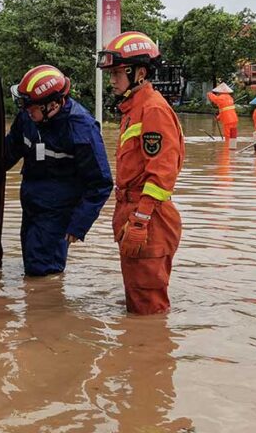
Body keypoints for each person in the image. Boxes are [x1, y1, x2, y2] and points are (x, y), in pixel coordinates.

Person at [97, 31, 185, 315]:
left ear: (141, 73)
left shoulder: (153, 110)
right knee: (137, 301)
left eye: (118, 73)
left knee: (149, 310)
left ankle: (149, 356)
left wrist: (141, 220)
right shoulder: (134, 109)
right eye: (111, 73)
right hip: (134, 214)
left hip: (149, 219)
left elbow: (162, 174)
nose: (112, 80)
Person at [3, 65, 113, 276]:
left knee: (42, 273)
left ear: (52, 105)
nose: (26, 111)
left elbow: (100, 183)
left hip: (58, 212)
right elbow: (7, 154)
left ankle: (47, 305)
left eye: (31, 107)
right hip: (31, 203)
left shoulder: (81, 129)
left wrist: (79, 224)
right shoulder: (28, 117)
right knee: (31, 263)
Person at [206, 82, 239, 146]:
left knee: (228, 135)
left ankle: (227, 148)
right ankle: (233, 147)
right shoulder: (229, 97)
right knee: (233, 134)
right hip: (234, 118)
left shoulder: (222, 97)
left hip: (228, 119)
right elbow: (224, 109)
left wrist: (210, 94)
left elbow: (215, 99)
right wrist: (219, 117)